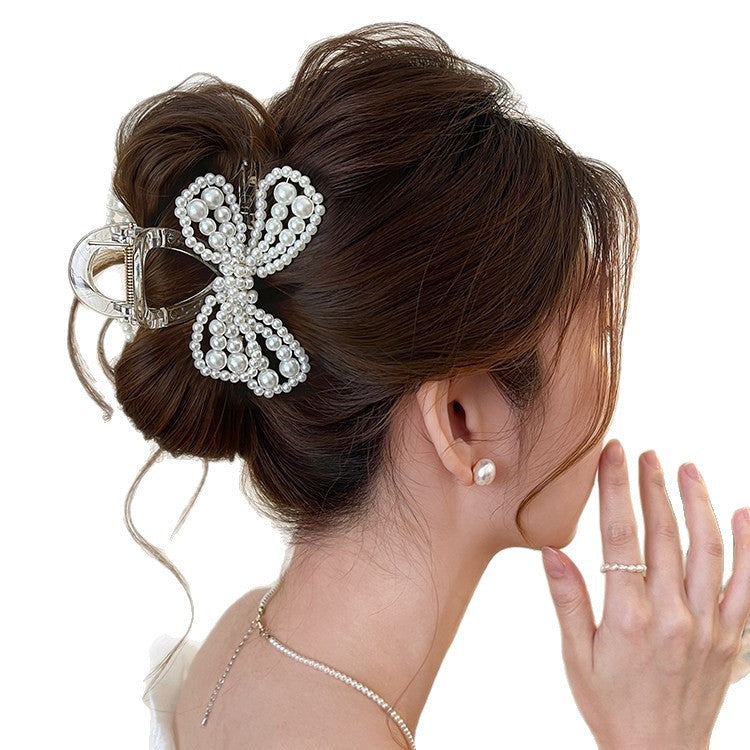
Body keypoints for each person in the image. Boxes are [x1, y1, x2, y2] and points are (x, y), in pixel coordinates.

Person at [67, 21, 750, 750]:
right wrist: (660, 734)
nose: (612, 379)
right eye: (596, 335)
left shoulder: (245, 643)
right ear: (462, 418)